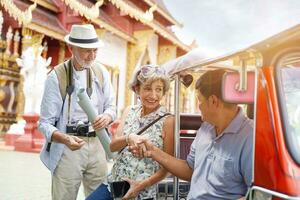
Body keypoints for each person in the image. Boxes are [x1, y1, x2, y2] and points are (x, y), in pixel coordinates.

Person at [135, 69, 253, 199]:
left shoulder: (251, 137)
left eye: (199, 100)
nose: (199, 106)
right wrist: (153, 151)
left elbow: (256, 195)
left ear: (213, 101)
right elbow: (190, 169)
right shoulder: (206, 127)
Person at [38, 24, 116, 200]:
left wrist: (107, 116)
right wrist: (65, 139)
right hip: (68, 146)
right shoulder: (56, 77)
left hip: (98, 145)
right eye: (86, 50)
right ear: (71, 48)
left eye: (95, 50)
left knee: (101, 196)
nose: (92, 55)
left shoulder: (101, 71)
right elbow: (45, 123)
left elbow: (112, 107)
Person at [86, 64, 174, 200]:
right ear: (137, 89)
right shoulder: (129, 111)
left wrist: (140, 185)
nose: (154, 95)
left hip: (144, 193)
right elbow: (112, 146)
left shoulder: (168, 120)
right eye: (147, 89)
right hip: (114, 184)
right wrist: (129, 137)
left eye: (159, 90)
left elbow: (168, 168)